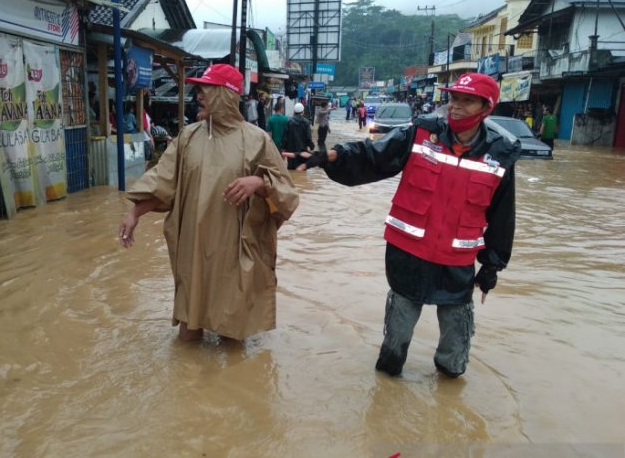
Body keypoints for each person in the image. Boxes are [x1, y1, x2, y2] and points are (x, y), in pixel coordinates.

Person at [284, 73, 521, 378]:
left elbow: (503, 216)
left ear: (485, 107)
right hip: (409, 253)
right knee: (394, 346)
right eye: (453, 99)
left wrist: (491, 266)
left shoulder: (501, 152)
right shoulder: (422, 132)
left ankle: (448, 393)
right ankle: (386, 390)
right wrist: (330, 156)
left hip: (456, 263)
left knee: (455, 348)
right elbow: (374, 155)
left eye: (467, 101)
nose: (456, 107)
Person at [118, 64, 299, 341]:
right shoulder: (188, 138)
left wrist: (259, 184)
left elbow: (287, 195)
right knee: (189, 331)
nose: (198, 95)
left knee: (232, 333)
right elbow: (164, 182)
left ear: (225, 95)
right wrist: (135, 213)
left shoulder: (256, 141)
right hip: (194, 249)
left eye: (206, 89)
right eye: (199, 89)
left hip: (235, 251)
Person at [282, 103, 314, 169]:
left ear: (294, 112)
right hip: (302, 150)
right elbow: (308, 137)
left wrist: (283, 147)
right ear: (303, 112)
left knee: (291, 168)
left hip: (291, 149)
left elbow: (285, 137)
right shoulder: (306, 122)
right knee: (301, 168)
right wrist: (311, 146)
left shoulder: (289, 121)